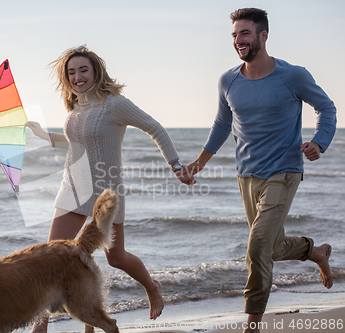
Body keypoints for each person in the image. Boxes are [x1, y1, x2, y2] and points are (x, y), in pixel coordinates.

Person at [185, 8, 337, 333]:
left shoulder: (292, 75)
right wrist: (198, 164)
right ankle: (317, 252)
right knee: (272, 246)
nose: (239, 40)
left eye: (245, 33)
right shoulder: (228, 80)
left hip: (284, 171)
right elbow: (222, 125)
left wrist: (319, 143)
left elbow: (326, 107)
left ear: (263, 36)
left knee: (256, 248)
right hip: (247, 175)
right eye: (235, 35)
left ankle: (252, 323)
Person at [26, 45, 191, 332]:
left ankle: (152, 288)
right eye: (71, 72)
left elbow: (155, 127)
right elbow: (77, 142)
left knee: (115, 258)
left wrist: (176, 166)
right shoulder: (75, 104)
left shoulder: (114, 103)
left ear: (96, 71)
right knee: (50, 256)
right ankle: (40, 324)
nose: (77, 77)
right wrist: (44, 135)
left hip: (106, 191)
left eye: (83, 70)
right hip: (73, 185)